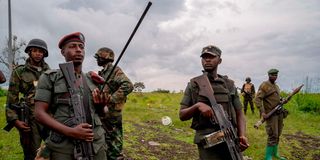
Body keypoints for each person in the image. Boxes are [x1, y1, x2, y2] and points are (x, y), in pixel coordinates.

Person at [34, 32, 108, 160]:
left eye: (81, 47)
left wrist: (102, 106)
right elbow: (39, 113)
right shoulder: (50, 77)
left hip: (95, 144)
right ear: (63, 52)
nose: (78, 50)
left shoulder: (92, 80)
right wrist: (72, 132)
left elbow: (103, 113)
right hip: (63, 147)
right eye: (73, 46)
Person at [179, 45, 249, 160]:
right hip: (207, 140)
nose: (207, 60)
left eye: (211, 57)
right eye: (204, 57)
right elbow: (182, 115)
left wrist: (242, 135)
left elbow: (239, 113)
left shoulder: (229, 85)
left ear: (219, 60)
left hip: (230, 136)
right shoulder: (194, 84)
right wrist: (198, 106)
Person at [5, 38, 50, 160]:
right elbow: (11, 99)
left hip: (48, 114)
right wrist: (15, 121)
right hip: (30, 116)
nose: (38, 54)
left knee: (54, 147)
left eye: (41, 51)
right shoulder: (19, 72)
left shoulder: (49, 72)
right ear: (29, 52)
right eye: (34, 50)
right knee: (31, 152)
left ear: (44, 54)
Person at [94, 47, 133, 160]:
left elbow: (128, 85)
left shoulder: (115, 70)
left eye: (98, 57)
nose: (97, 60)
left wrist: (110, 99)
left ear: (104, 57)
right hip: (104, 113)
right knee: (105, 142)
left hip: (113, 114)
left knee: (115, 145)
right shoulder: (103, 72)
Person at [255, 69, 287, 160]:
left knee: (278, 134)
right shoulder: (265, 85)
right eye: (273, 75)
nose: (275, 77)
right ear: (269, 75)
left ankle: (275, 153)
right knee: (273, 134)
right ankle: (268, 156)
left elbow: (277, 98)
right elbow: (257, 100)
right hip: (271, 115)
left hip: (279, 113)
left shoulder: (276, 86)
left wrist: (283, 100)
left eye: (276, 75)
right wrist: (263, 112)